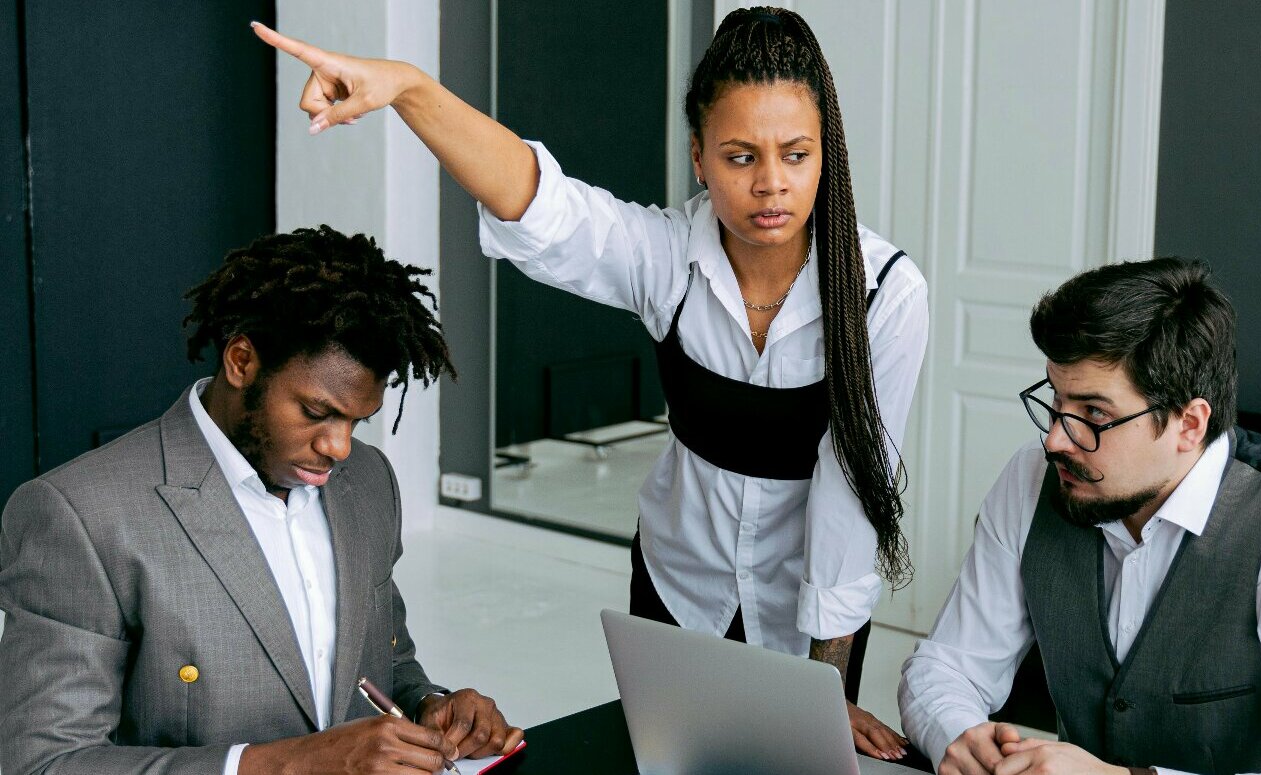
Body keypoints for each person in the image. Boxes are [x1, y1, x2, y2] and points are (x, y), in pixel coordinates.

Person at [253, 5, 928, 760]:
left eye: (795, 154)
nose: (771, 185)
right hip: (679, 588)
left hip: (812, 615)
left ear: (825, 155)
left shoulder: (885, 295)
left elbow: (849, 504)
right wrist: (409, 88)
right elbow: (545, 207)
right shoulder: (668, 260)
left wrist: (825, 691)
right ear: (699, 157)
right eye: (740, 157)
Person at [0, 226, 524, 775]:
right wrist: (285, 764)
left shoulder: (369, 481)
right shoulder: (79, 515)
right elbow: (45, 762)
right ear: (242, 361)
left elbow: (384, 666)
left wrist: (430, 707)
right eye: (317, 412)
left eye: (357, 421)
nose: (339, 447)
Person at [898, 258, 1261, 774]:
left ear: (1189, 424)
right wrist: (960, 737)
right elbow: (945, 667)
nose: (1054, 439)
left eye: (1094, 414)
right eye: (1056, 399)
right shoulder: (1031, 481)